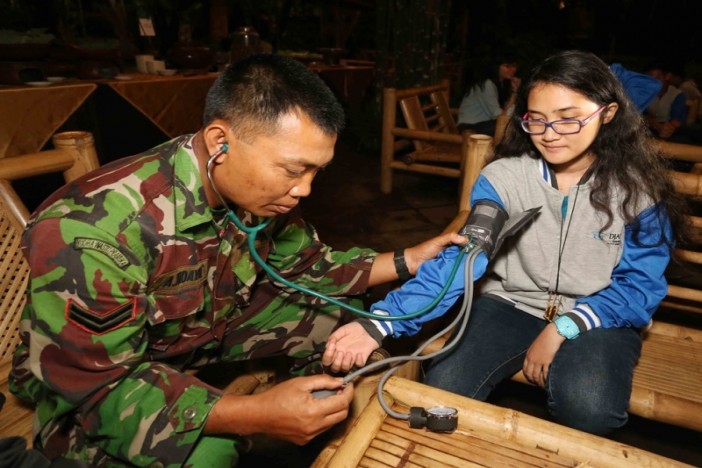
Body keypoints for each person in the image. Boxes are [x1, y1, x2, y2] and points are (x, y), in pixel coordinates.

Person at [9, 54, 466, 467]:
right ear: (219, 142)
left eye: (316, 171)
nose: (305, 189)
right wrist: (254, 414)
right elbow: (98, 389)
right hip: (96, 388)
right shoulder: (92, 233)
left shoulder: (252, 188)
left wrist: (408, 260)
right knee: (211, 451)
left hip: (193, 334)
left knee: (344, 321)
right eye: (293, 170)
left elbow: (310, 265)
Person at [322, 50, 687, 436]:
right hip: (512, 303)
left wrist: (564, 326)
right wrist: (382, 323)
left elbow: (638, 287)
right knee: (445, 385)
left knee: (589, 406)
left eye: (568, 118)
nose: (550, 134)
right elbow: (463, 259)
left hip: (600, 314)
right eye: (537, 119)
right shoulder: (504, 180)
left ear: (608, 113)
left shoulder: (638, 193)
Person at [456, 55, 520, 135]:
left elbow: (505, 112)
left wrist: (514, 91)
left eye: (513, 66)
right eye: (507, 66)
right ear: (496, 67)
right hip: (469, 128)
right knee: (510, 125)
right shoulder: (486, 84)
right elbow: (500, 117)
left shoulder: (502, 84)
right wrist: (515, 93)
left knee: (513, 123)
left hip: (483, 124)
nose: (511, 69)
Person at [644, 62, 688, 141]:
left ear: (667, 77)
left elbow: (677, 121)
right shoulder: (643, 92)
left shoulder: (677, 95)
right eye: (649, 79)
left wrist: (666, 128)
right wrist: (655, 125)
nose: (653, 83)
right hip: (647, 129)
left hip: (672, 132)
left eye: (657, 78)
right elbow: (637, 115)